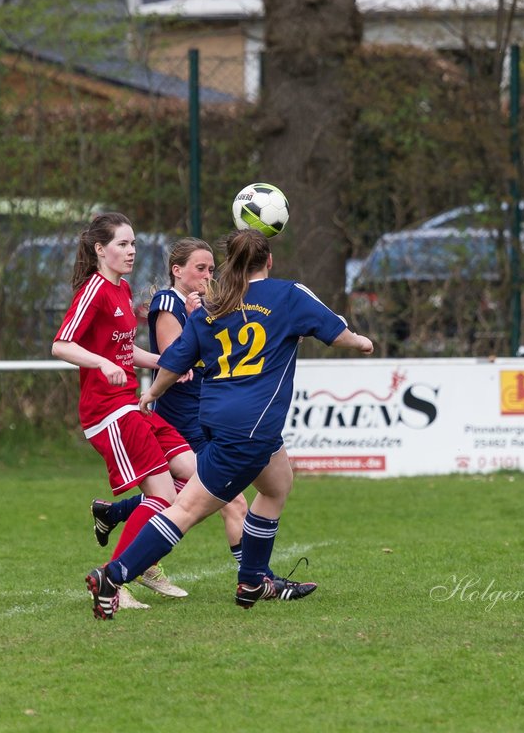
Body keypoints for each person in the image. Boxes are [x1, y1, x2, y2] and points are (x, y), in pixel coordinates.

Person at [85, 229, 375, 620]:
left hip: (221, 418)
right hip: (250, 426)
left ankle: (253, 578)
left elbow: (177, 359)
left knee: (277, 484)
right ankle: (113, 575)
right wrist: (360, 342)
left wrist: (153, 392)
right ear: (268, 260)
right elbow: (335, 331)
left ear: (229, 264)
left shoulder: (213, 306)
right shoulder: (288, 295)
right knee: (185, 509)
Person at [51, 212, 199, 612]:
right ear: (100, 249)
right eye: (122, 244)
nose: (131, 251)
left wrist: (162, 364)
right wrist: (100, 364)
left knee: (195, 473)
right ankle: (115, 578)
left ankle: (140, 559)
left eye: (133, 244)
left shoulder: (122, 290)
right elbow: (61, 345)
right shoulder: (94, 291)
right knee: (163, 497)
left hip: (133, 405)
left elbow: (122, 349)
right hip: (107, 413)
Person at [91, 239, 251, 602]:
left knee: (191, 496)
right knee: (225, 498)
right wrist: (200, 317)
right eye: (200, 268)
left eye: (212, 269)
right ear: (177, 271)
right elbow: (176, 358)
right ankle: (254, 581)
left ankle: (119, 524)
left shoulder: (203, 306)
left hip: (201, 417)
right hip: (180, 419)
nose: (208, 275)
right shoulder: (168, 302)